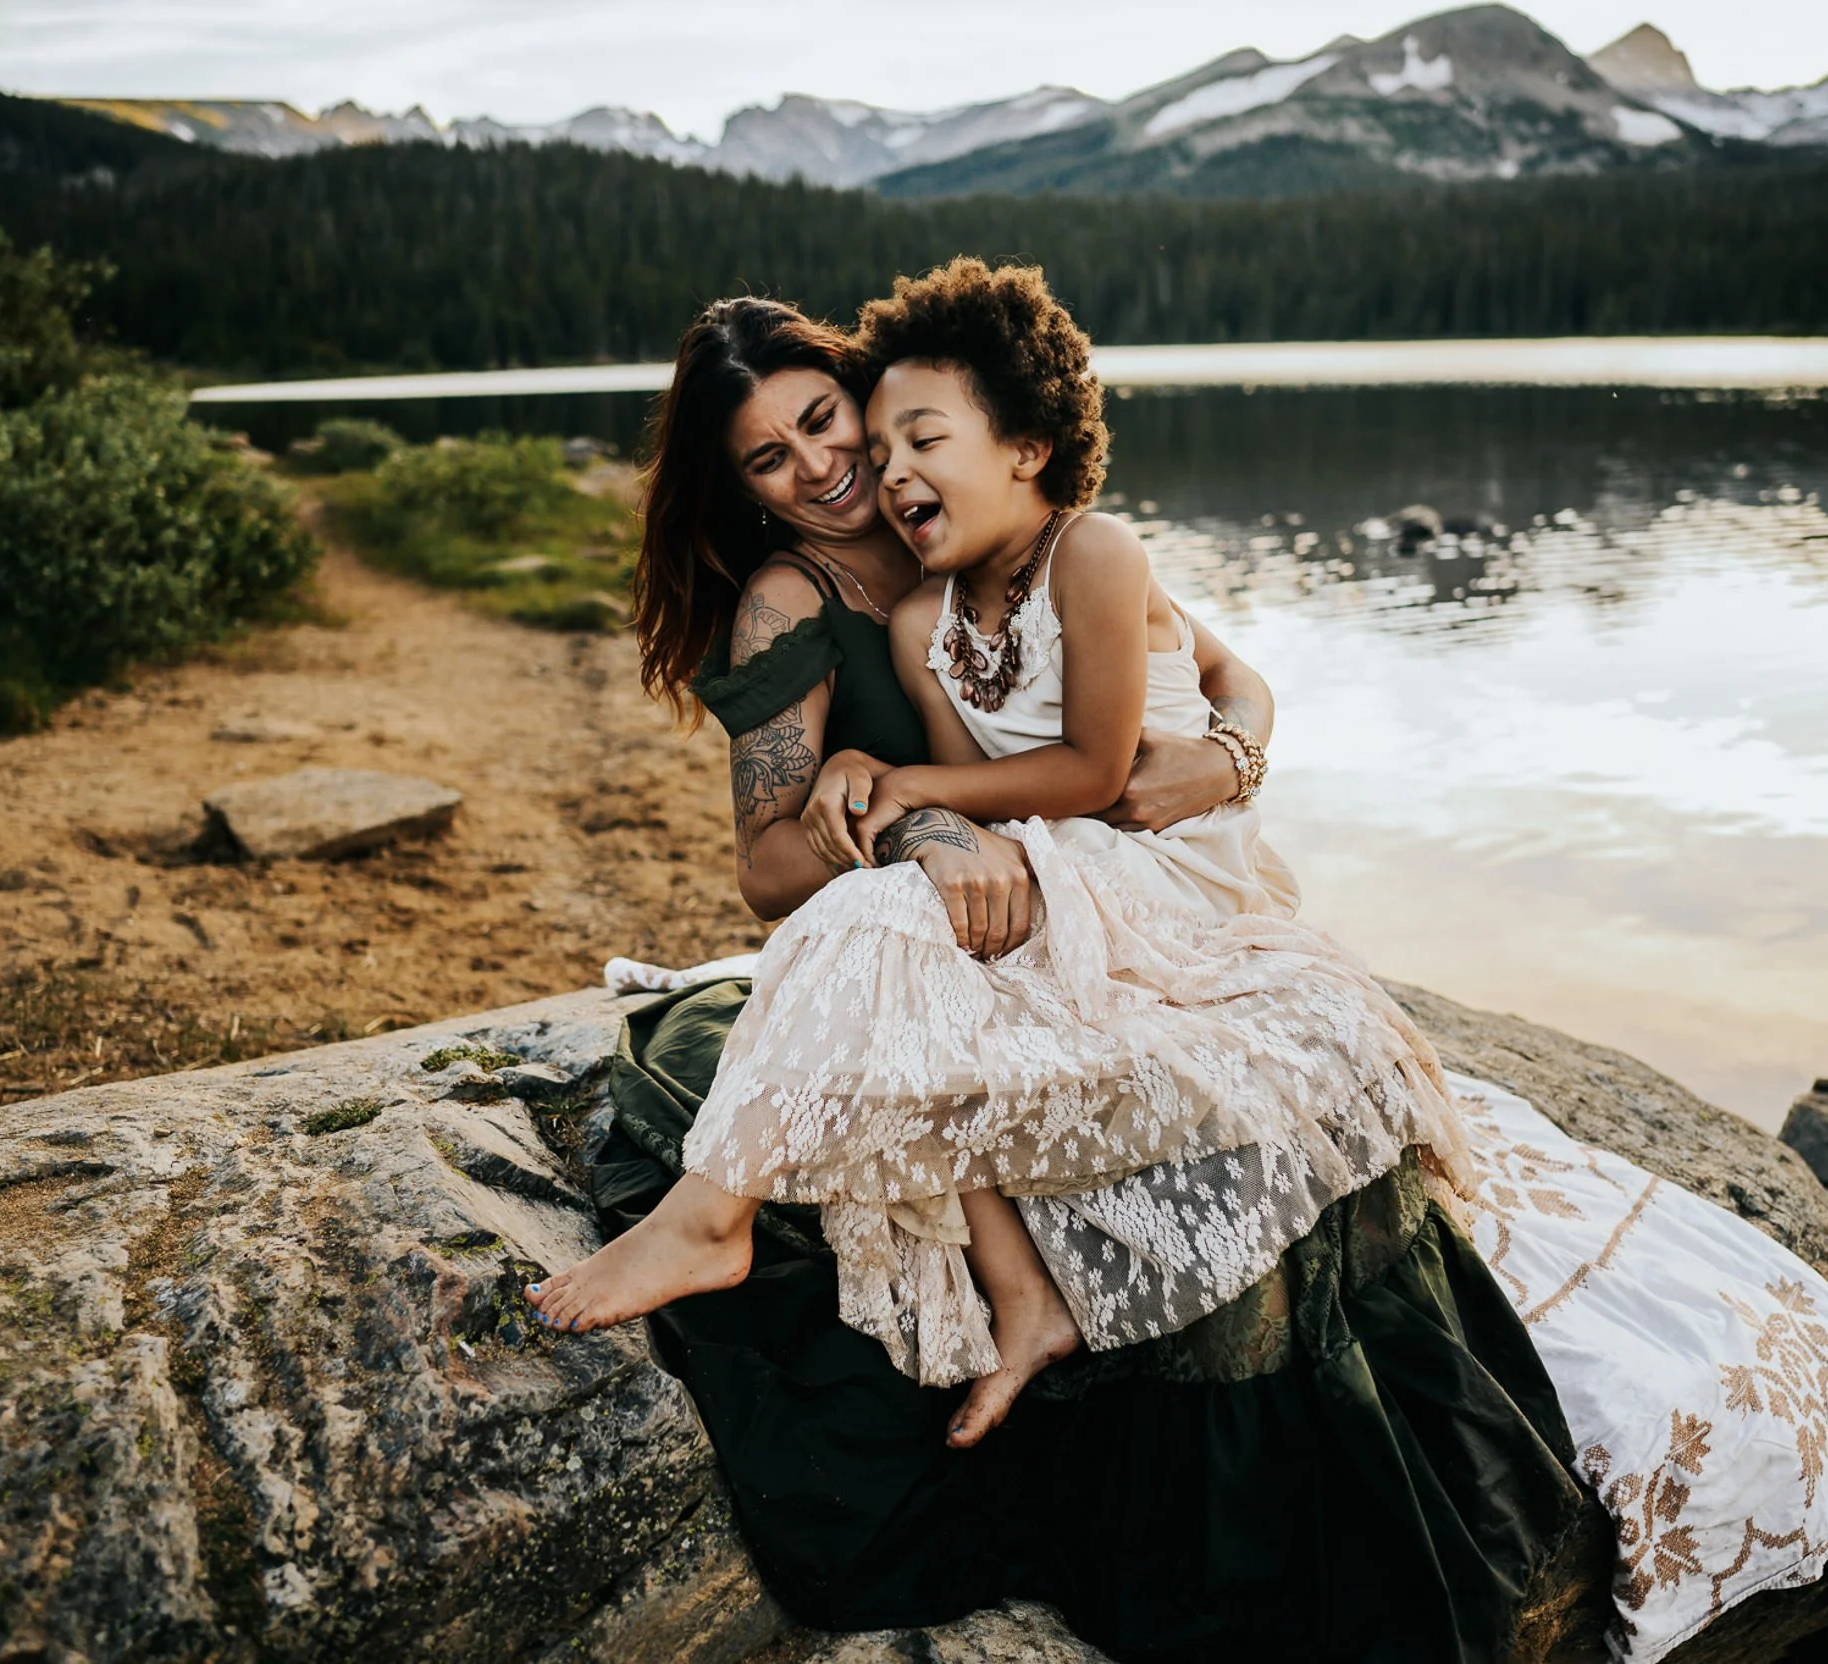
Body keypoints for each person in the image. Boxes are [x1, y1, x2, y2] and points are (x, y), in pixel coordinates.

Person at [556, 288, 1585, 1660]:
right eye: (768, 458)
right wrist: (924, 828)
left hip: (1074, 882)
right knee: (920, 1008)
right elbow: (767, 860)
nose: (822, 465)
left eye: (827, 419)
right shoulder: (793, 603)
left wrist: (1232, 761)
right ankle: (816, 1243)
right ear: (737, 488)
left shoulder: (1016, 541)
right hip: (939, 906)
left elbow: (1224, 678)